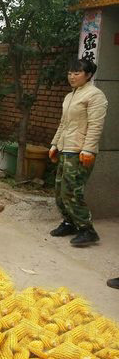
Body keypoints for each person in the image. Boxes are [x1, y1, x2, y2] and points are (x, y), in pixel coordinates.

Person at [49, 58, 108, 247]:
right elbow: (63, 124)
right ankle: (69, 222)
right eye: (70, 73)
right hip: (66, 149)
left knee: (71, 191)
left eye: (77, 73)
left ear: (88, 75)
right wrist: (54, 144)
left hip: (80, 151)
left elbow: (95, 126)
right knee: (59, 190)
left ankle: (86, 229)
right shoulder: (70, 96)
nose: (72, 77)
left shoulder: (95, 95)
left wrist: (89, 149)